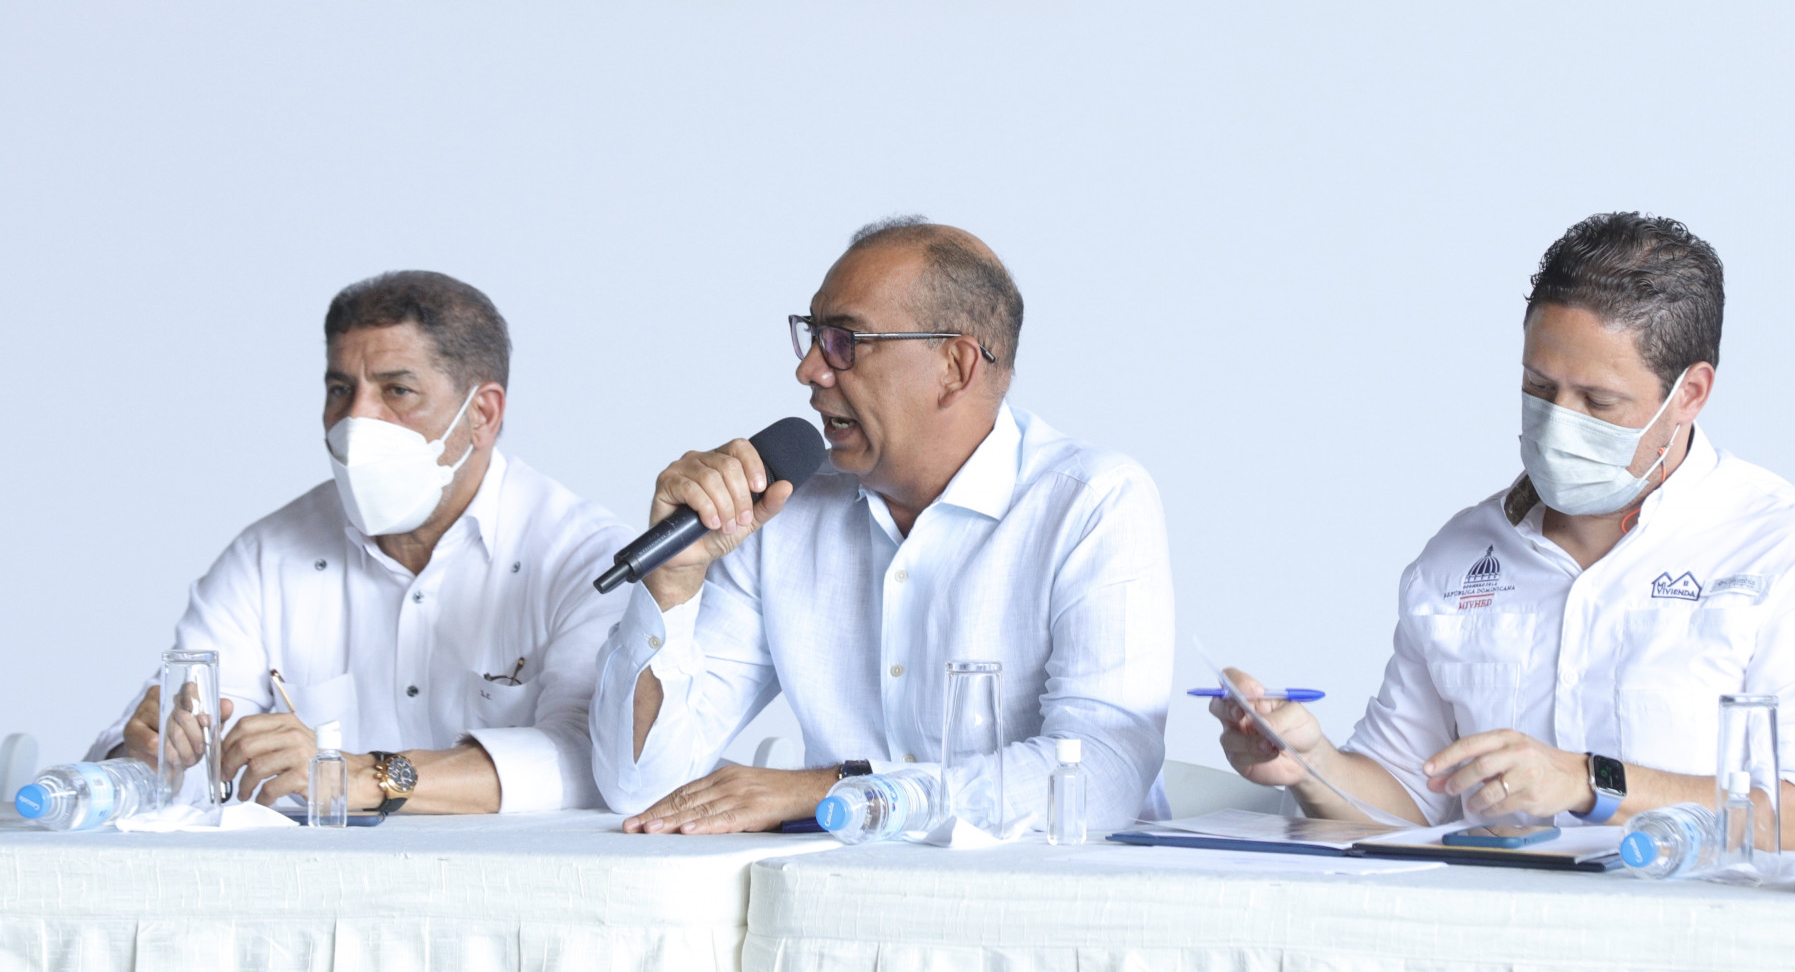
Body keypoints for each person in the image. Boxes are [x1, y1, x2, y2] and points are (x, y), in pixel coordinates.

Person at [1215, 213, 1795, 849]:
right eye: (1539, 388)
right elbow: (1407, 803)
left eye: (1598, 400)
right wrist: (1310, 763)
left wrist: (1590, 782)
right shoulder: (1456, 559)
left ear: (1689, 394)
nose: (1558, 422)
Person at [590, 217, 1174, 833]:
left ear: (955, 366)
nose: (809, 370)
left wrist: (844, 789)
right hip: (838, 888)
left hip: (1046, 889)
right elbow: (638, 785)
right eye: (813, 336)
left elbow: (1097, 776)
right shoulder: (785, 509)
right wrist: (673, 584)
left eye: (844, 340)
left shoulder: (1092, 504)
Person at [91, 271, 631, 814]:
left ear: (482, 414)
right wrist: (153, 756)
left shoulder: (585, 559)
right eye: (340, 390)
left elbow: (595, 757)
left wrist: (372, 778)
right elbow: (191, 754)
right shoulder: (266, 558)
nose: (356, 419)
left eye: (397, 390)